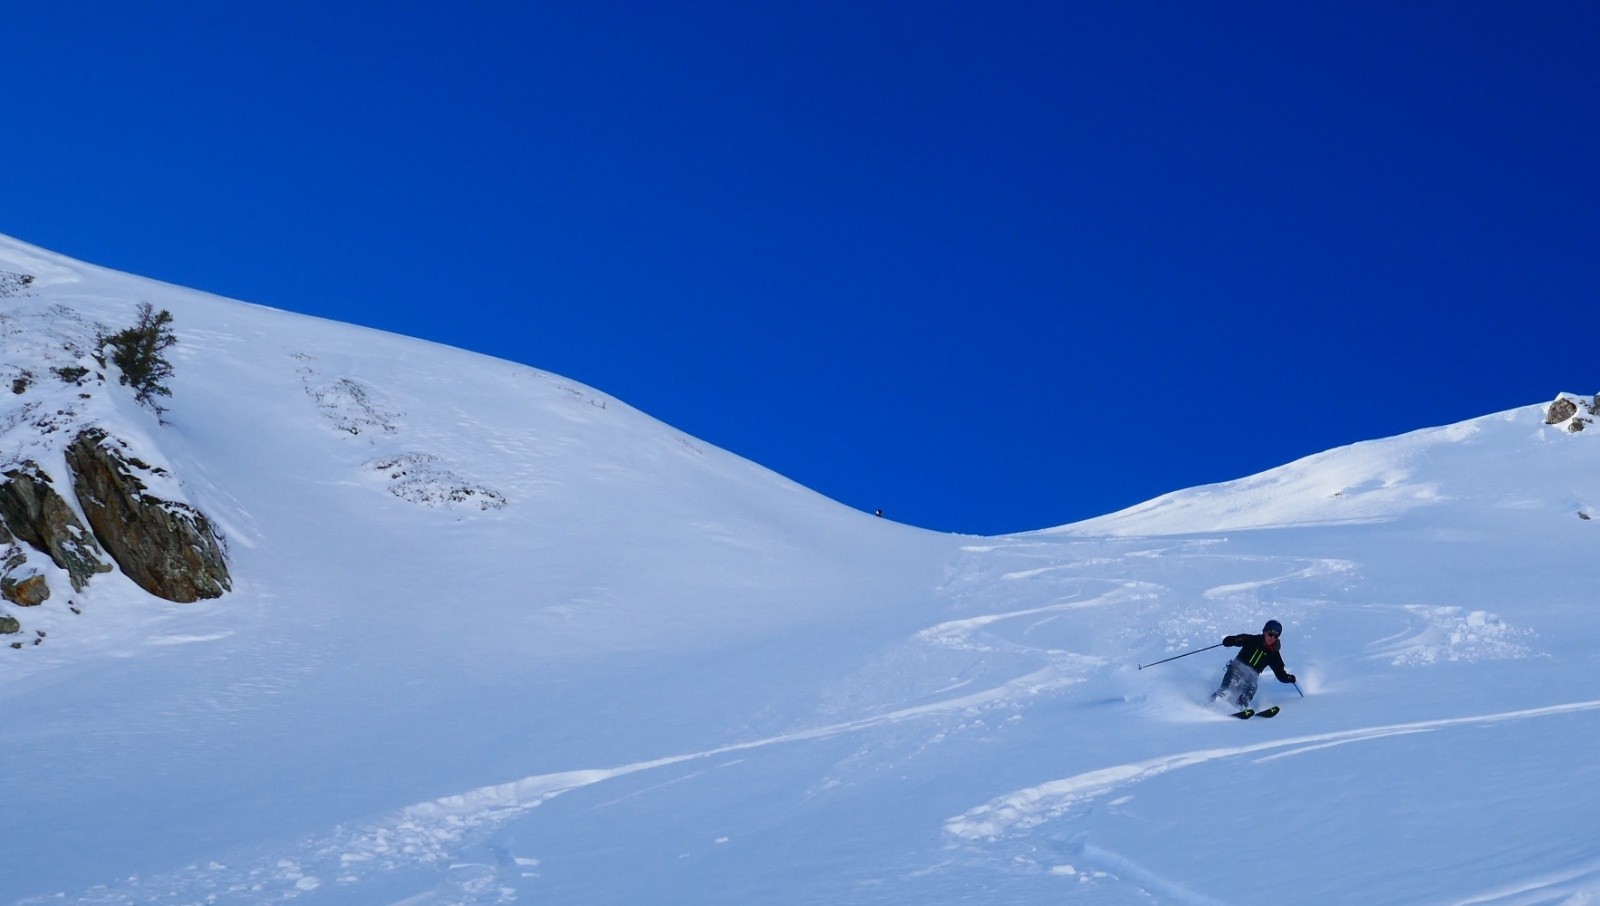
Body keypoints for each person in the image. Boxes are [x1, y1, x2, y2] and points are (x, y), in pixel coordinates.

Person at [1211, 619, 1297, 709]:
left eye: (1275, 636)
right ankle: (1213, 703)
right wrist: (1229, 641)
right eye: (1270, 634)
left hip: (1251, 678)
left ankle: (1240, 708)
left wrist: (1288, 678)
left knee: (1251, 688)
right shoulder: (1252, 640)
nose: (1272, 638)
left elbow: (1280, 674)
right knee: (1227, 689)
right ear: (1264, 632)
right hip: (1236, 669)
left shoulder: (1274, 654)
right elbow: (1236, 639)